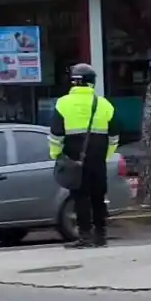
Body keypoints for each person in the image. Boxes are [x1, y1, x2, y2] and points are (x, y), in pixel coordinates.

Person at [48, 63, 119, 249]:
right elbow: (114, 135)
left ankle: (85, 236)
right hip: (98, 160)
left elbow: (56, 134)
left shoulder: (62, 103)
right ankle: (100, 236)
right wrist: (106, 155)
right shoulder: (104, 104)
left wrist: (56, 155)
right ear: (91, 83)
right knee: (98, 198)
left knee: (80, 197)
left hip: (74, 159)